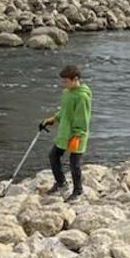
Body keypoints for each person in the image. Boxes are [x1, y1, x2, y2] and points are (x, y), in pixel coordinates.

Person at [39, 65, 92, 202]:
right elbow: (64, 111)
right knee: (53, 156)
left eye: (66, 81)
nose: (63, 84)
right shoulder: (67, 92)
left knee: (74, 164)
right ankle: (61, 183)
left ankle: (78, 191)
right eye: (62, 81)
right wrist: (52, 119)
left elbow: (83, 119)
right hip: (64, 132)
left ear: (75, 79)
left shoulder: (82, 96)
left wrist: (77, 135)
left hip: (77, 134)